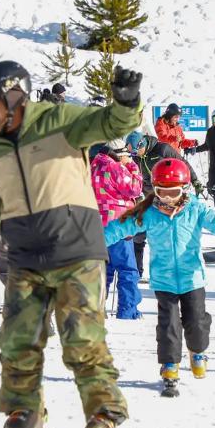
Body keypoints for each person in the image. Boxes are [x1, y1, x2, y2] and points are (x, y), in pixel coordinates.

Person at [0, 59, 144, 428]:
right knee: (17, 340)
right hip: (25, 257)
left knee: (81, 338)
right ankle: (25, 414)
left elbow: (111, 126)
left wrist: (126, 102)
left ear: (13, 94)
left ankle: (103, 413)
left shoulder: (60, 121)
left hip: (76, 249)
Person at [104, 157, 215, 397]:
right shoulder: (149, 213)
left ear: (184, 189)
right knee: (169, 325)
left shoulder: (195, 209)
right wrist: (93, 244)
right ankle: (170, 366)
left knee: (195, 322)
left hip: (192, 279)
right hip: (164, 281)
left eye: (173, 193)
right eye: (162, 193)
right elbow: (119, 228)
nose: (167, 199)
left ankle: (197, 350)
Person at [91, 136, 145, 320]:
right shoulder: (115, 167)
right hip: (118, 226)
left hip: (98, 225)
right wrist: (132, 166)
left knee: (102, 270)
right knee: (127, 270)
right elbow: (135, 188)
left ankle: (96, 310)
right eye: (125, 154)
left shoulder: (94, 165)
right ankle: (128, 313)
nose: (128, 157)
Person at [136, 131, 200, 277]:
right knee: (140, 234)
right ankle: (137, 271)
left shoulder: (162, 149)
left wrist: (194, 180)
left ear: (143, 145)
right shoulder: (136, 157)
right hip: (149, 198)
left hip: (169, 197)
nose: (135, 154)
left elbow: (182, 162)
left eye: (136, 150)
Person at [192, 107, 215, 211]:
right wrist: (195, 149)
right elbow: (207, 145)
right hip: (214, 166)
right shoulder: (210, 131)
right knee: (214, 190)